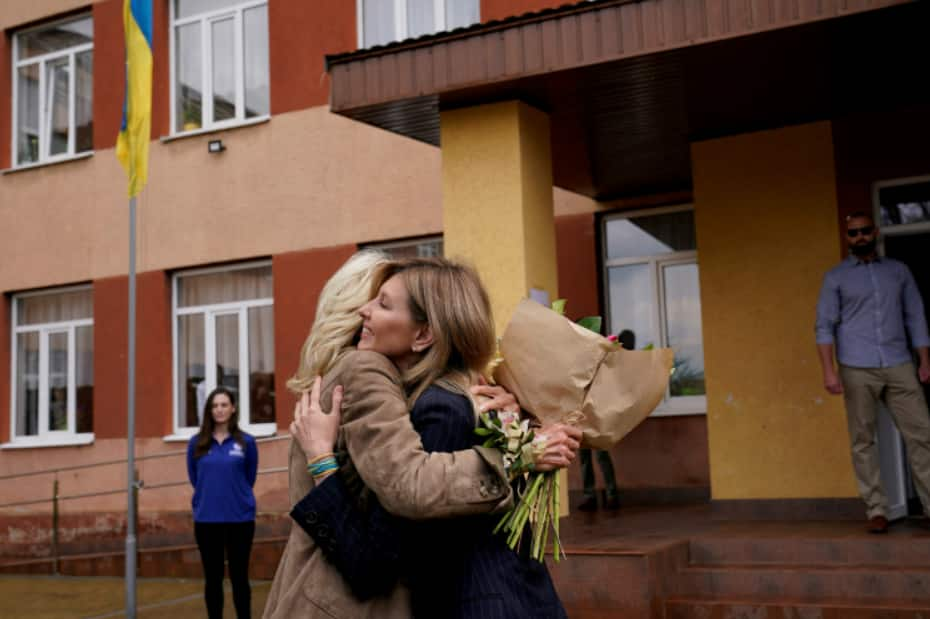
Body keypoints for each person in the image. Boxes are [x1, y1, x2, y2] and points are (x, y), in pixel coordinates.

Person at [262, 251, 580, 618]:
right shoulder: (407, 383)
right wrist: (519, 447)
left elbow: (384, 544)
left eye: (382, 303)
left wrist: (518, 446)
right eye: (372, 299)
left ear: (424, 333)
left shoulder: (435, 402)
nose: (367, 310)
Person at [815, 211, 930, 533]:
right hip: (856, 366)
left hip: (899, 362)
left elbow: (916, 316)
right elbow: (824, 327)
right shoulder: (835, 277)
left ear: (875, 232)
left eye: (865, 231)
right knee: (863, 439)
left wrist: (924, 360)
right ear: (847, 238)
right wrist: (829, 371)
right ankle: (876, 509)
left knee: (922, 435)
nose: (860, 237)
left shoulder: (898, 271)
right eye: (853, 233)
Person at [186, 387, 258, 619]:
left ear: (233, 408)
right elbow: (195, 478)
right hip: (207, 521)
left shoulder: (247, 442)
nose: (219, 409)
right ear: (209, 410)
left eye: (224, 405)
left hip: (240, 520)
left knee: (239, 578)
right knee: (213, 580)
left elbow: (250, 477)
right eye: (215, 405)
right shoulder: (196, 444)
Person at [577, 329, 632, 511]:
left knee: (601, 454)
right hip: (580, 413)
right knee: (584, 456)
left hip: (598, 412)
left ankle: (612, 494)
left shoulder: (603, 360)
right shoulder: (581, 361)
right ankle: (589, 495)